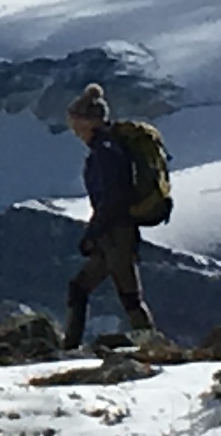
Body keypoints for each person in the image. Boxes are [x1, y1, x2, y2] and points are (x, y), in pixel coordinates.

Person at [62, 84, 156, 346]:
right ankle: (71, 344)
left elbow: (112, 198)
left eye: (76, 119)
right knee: (82, 288)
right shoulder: (108, 147)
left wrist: (94, 232)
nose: (73, 126)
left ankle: (150, 343)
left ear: (88, 120)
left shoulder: (104, 152)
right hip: (115, 232)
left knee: (127, 294)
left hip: (115, 233)